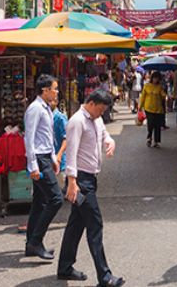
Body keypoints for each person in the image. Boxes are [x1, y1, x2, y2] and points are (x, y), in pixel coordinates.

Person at [58, 90, 124, 287]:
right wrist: (71, 182)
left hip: (90, 179)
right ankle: (105, 277)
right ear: (92, 103)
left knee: (76, 225)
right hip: (81, 181)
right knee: (95, 225)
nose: (101, 113)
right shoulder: (77, 121)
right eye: (101, 109)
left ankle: (64, 267)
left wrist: (110, 142)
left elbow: (105, 135)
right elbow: (71, 152)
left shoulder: (96, 120)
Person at [23, 73, 63, 260]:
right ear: (45, 90)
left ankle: (31, 243)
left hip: (46, 157)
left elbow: (47, 137)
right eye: (54, 88)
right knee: (56, 199)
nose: (56, 92)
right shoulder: (35, 109)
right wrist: (33, 166)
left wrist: (54, 158)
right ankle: (36, 241)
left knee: (39, 202)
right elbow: (29, 138)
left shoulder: (46, 108)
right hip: (39, 159)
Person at [139, 71, 166, 148]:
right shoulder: (146, 86)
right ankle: (149, 138)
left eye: (157, 78)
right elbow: (143, 97)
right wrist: (140, 107)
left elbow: (163, 96)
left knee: (157, 126)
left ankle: (156, 141)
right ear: (152, 78)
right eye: (154, 78)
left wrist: (164, 94)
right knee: (150, 124)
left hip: (158, 109)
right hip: (148, 109)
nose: (155, 80)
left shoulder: (160, 87)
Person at [53, 97, 68, 178]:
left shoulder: (60, 117)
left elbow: (66, 138)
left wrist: (59, 155)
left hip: (60, 161)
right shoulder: (45, 115)